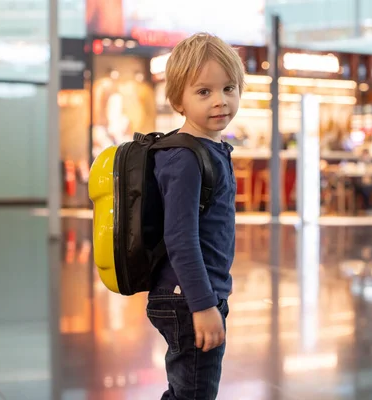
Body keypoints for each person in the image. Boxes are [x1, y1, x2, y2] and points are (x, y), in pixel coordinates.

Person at [149, 33, 244, 400]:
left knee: (188, 391)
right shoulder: (186, 158)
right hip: (188, 298)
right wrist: (203, 305)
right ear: (178, 101)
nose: (221, 100)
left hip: (198, 293)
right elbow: (180, 237)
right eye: (204, 92)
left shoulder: (211, 147)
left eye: (228, 88)